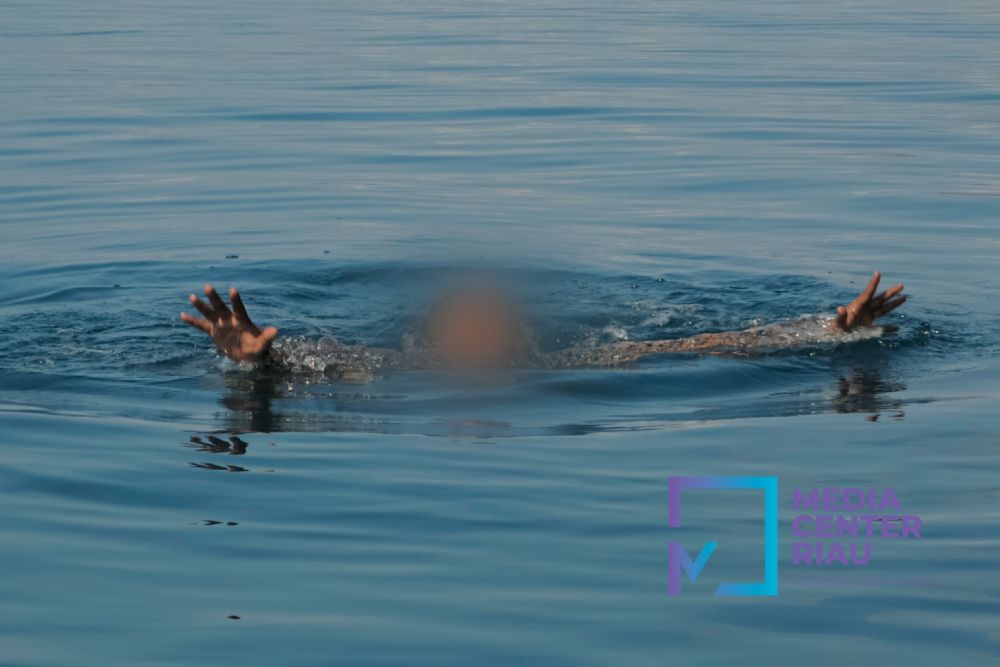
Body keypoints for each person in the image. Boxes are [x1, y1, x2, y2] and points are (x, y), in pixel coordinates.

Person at [179, 271, 906, 375]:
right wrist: (252, 360)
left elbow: (711, 342)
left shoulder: (570, 363)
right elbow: (318, 361)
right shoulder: (402, 370)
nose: (485, 336)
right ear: (436, 339)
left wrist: (830, 328)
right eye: (469, 324)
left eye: (496, 322)